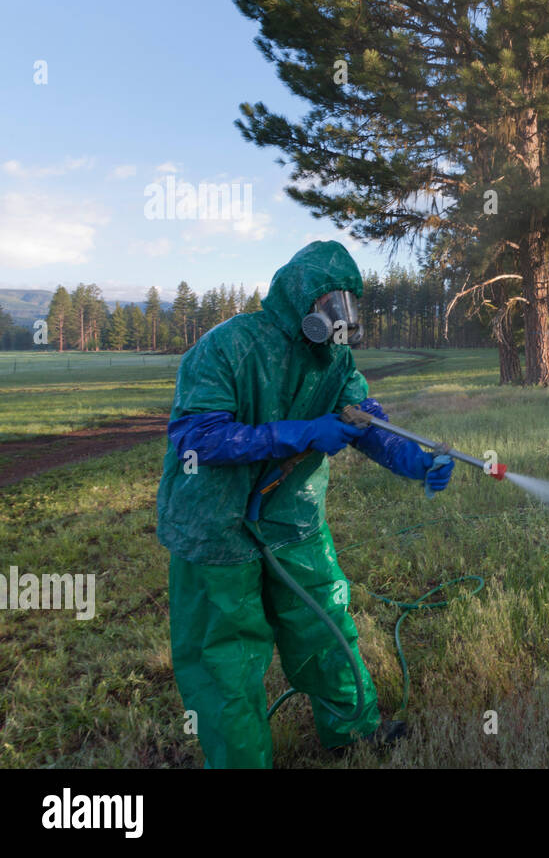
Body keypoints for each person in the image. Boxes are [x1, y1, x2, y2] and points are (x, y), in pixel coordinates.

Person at [155, 240, 453, 768]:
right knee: (226, 659)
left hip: (293, 518)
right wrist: (300, 433)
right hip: (213, 525)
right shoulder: (226, 347)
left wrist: (413, 457)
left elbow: (367, 422)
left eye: (348, 303)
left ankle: (352, 730)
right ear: (299, 299)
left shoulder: (336, 359)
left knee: (326, 624)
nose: (340, 317)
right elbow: (200, 439)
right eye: (328, 302)